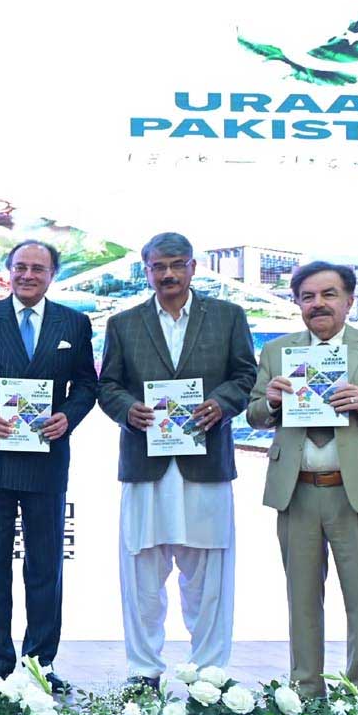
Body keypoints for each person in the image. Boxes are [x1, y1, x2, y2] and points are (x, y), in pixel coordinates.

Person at [247, 260, 358, 696]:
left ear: (349, 300)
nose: (318, 304)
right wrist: (269, 402)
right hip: (298, 492)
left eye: (328, 295)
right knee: (302, 602)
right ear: (297, 304)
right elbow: (253, 413)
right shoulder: (277, 352)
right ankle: (305, 692)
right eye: (308, 297)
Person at [96, 233, 258, 689]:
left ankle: (209, 673)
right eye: (157, 267)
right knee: (141, 574)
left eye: (176, 265)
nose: (167, 274)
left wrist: (222, 404)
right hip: (145, 465)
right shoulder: (124, 323)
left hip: (205, 464)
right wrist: (128, 410)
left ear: (193, 267)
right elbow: (107, 385)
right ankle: (143, 670)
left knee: (209, 577)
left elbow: (247, 374)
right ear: (145, 271)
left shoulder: (227, 316)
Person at [0, 239, 99, 690]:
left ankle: (40, 662)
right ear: (8, 271)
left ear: (52, 274)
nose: (28, 275)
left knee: (45, 565)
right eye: (20, 267)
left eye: (38, 268)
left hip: (47, 461)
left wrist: (67, 418)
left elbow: (88, 387)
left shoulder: (74, 322)